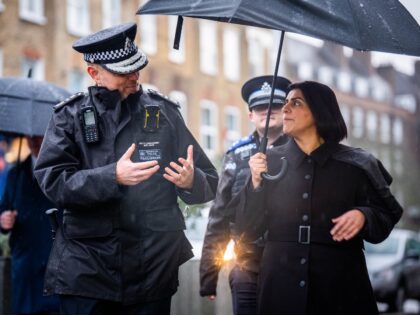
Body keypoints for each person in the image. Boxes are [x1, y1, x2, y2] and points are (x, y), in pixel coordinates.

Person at [34, 22, 218, 315]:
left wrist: (190, 181)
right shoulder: (68, 117)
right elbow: (53, 181)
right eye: (124, 71)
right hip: (87, 272)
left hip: (153, 270)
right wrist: (111, 176)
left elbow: (210, 180)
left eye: (137, 67)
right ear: (94, 73)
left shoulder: (165, 113)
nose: (135, 75)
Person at [238, 81, 403, 315]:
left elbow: (389, 214)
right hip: (280, 287)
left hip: (340, 287)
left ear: (320, 111)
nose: (284, 109)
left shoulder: (358, 163)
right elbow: (247, 230)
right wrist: (255, 182)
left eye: (296, 103)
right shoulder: (267, 162)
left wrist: (364, 216)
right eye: (285, 103)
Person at [199, 75, 290, 315]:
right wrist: (209, 275)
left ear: (285, 110)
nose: (267, 111)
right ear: (250, 115)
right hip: (247, 265)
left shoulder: (300, 150)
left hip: (289, 263)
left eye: (274, 106)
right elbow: (219, 214)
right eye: (260, 107)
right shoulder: (237, 155)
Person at [0, 136, 59, 315]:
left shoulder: (62, 171)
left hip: (55, 264)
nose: (34, 140)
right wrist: (4, 219)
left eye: (39, 136)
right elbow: (4, 210)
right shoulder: (15, 174)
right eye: (30, 137)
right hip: (25, 265)